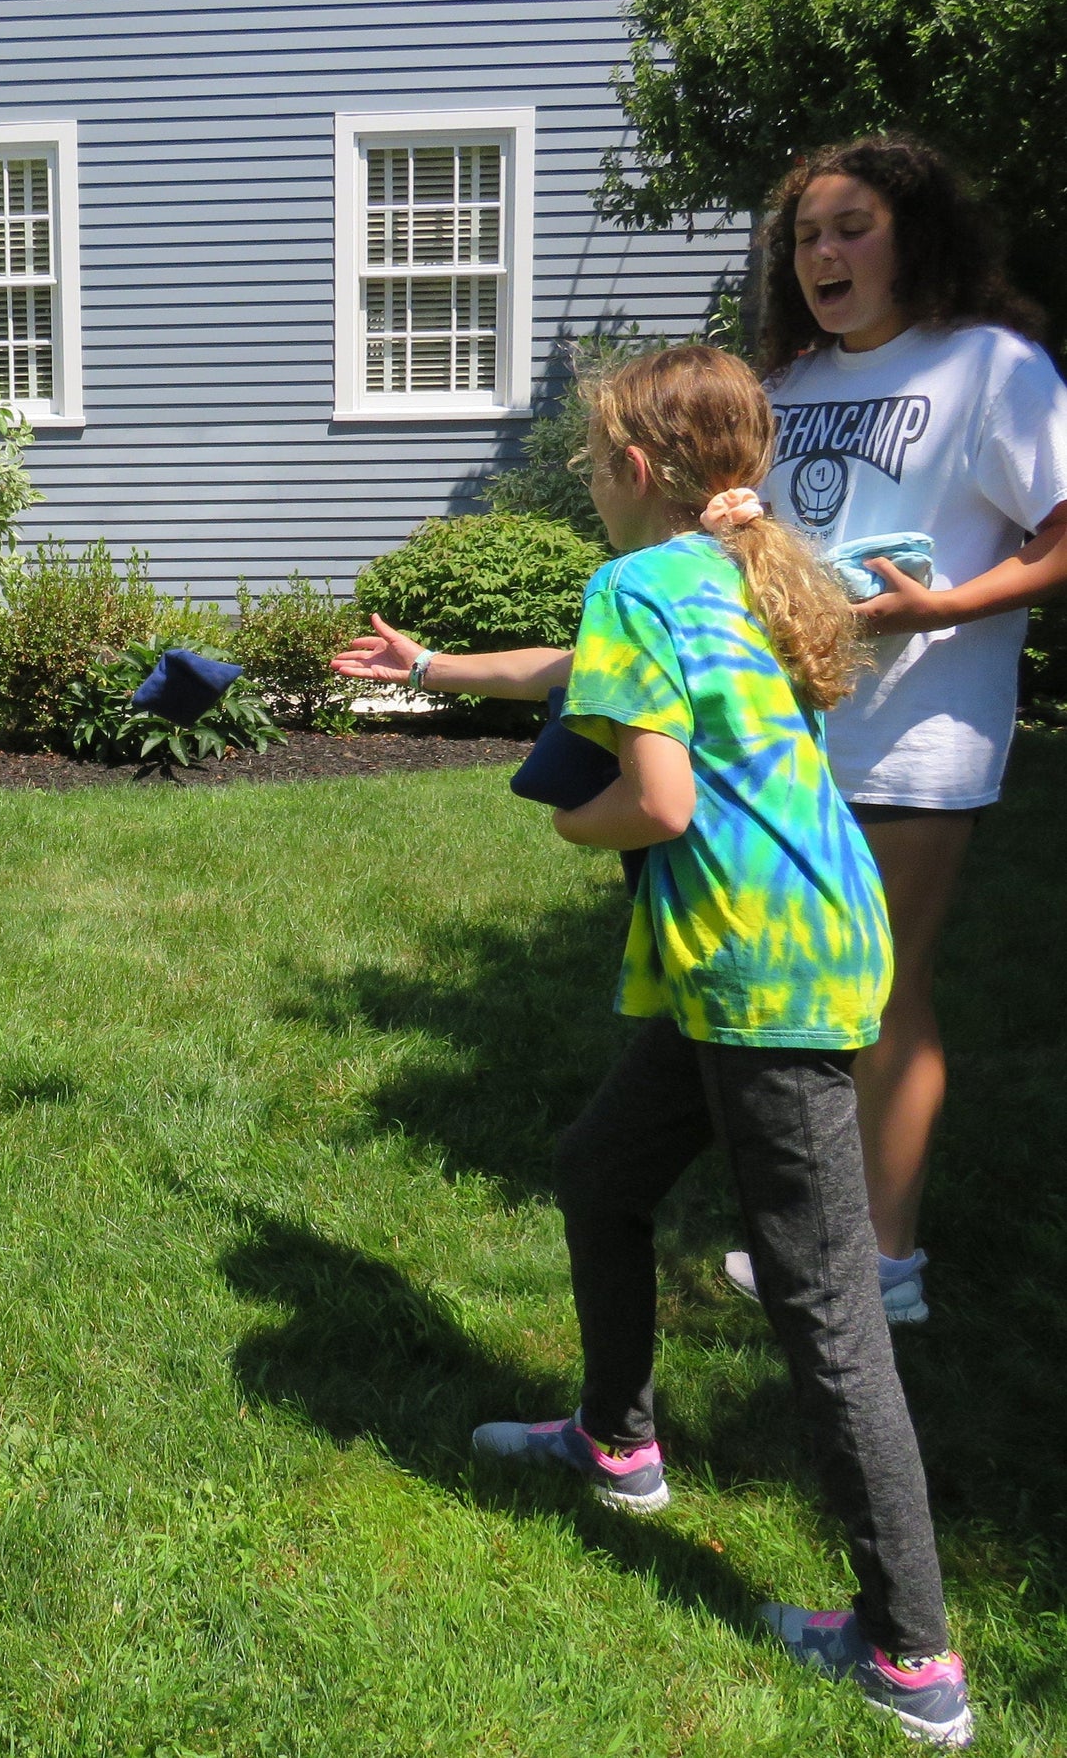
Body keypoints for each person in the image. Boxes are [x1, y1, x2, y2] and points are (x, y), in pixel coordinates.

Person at [334, 344, 972, 1747]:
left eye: (588, 456)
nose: (581, 475)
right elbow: (578, 671)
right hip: (782, 945)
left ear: (632, 466)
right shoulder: (743, 566)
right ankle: (614, 1438)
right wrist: (431, 664)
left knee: (823, 1309)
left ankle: (907, 1653)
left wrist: (575, 823)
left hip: (756, 969)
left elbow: (657, 801)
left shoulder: (641, 581)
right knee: (599, 1169)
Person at [727, 134, 1067, 1326]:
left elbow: (1059, 532)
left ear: (912, 235)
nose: (822, 251)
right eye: (805, 234)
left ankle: (887, 1264)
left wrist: (942, 606)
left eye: (849, 226)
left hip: (919, 729)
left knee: (879, 986)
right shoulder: (790, 386)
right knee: (804, 990)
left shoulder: (990, 368)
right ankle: (819, 1233)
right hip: (788, 732)